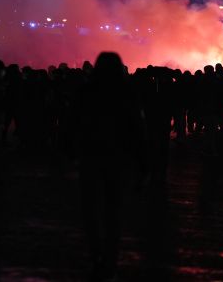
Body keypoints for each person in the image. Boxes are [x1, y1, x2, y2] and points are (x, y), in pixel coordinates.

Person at [76, 52, 144, 281]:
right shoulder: (127, 93)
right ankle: (111, 259)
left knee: (91, 211)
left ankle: (96, 255)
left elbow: (75, 123)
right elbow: (136, 128)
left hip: (91, 158)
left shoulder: (87, 91)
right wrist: (141, 162)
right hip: (119, 160)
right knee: (114, 212)